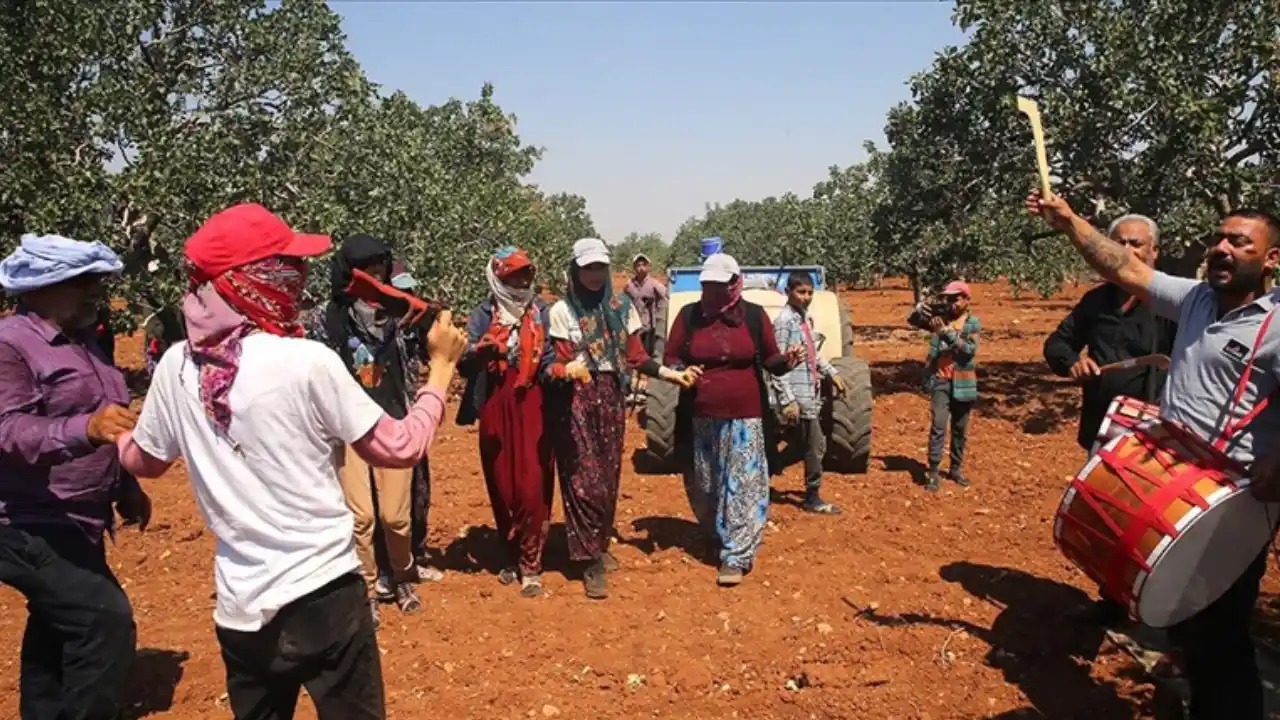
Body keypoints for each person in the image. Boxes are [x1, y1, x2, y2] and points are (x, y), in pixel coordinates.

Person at [115, 202, 468, 720]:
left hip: (240, 611)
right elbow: (400, 448)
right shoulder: (306, 362)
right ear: (256, 280)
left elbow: (144, 462)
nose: (299, 278)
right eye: (288, 266)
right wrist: (441, 370)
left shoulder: (176, 366)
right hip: (325, 597)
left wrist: (111, 433)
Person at [1027, 190, 1280, 720]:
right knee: (1188, 622)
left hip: (1231, 506)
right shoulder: (1193, 299)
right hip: (1177, 490)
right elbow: (1123, 266)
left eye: (1240, 241)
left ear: (1271, 258)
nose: (1222, 248)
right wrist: (1070, 222)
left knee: (1222, 637)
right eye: (1218, 238)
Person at [0, 233, 150, 720]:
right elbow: (8, 430)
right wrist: (84, 429)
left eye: (97, 283)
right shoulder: (10, 346)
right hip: (26, 520)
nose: (95, 293)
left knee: (56, 626)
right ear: (40, 288)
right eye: (81, 283)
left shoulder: (89, 342)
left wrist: (125, 487)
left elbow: (108, 420)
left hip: (78, 518)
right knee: (102, 622)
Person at [1042, 213, 1178, 626]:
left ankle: (1163, 610)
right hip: (1103, 432)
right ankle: (1114, 601)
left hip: (1160, 438)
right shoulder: (1096, 302)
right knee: (1107, 522)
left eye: (1137, 244)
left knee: (1157, 527)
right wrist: (1071, 364)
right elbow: (1057, 344)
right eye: (1119, 242)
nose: (1128, 251)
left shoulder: (1175, 304)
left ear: (1155, 251)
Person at [544, 238, 698, 599]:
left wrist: (672, 375)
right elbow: (559, 360)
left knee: (609, 475)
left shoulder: (621, 305)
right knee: (584, 477)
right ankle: (588, 560)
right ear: (576, 270)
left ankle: (597, 544)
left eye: (600, 267)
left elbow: (635, 356)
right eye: (588, 268)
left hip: (611, 394)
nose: (595, 275)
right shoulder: (561, 311)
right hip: (575, 398)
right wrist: (567, 369)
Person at [306, 235, 428, 622]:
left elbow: (421, 349)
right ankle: (368, 584)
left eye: (381, 270)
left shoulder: (398, 310)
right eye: (367, 272)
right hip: (348, 426)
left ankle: (403, 572)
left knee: (395, 515)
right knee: (360, 516)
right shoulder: (327, 318)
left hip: (392, 418)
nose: (376, 279)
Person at [663, 253, 799, 587]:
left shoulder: (753, 316)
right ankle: (715, 534)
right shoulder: (689, 316)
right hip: (701, 414)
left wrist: (787, 361)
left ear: (734, 283)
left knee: (741, 484)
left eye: (719, 286)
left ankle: (737, 555)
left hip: (745, 414)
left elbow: (771, 360)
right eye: (707, 285)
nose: (712, 292)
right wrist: (682, 371)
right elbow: (671, 357)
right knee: (707, 484)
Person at [458, 247, 554, 597]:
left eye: (526, 274)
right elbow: (463, 361)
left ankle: (531, 562)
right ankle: (510, 552)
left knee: (532, 484)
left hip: (533, 403)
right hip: (496, 403)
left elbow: (550, 357)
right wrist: (479, 352)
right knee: (501, 482)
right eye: (514, 275)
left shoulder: (541, 312)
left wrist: (555, 369)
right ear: (498, 277)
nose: (523, 281)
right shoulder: (484, 314)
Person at [372, 262, 440, 587]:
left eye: (410, 290)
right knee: (380, 500)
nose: (407, 296)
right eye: (400, 290)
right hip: (379, 423)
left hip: (412, 419)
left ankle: (415, 557)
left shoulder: (415, 326)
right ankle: (382, 566)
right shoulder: (375, 329)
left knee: (418, 492)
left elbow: (438, 353)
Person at [771, 270, 848, 515]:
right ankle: (812, 495)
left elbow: (813, 353)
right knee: (816, 445)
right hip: (797, 396)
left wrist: (831, 372)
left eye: (810, 293)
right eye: (801, 292)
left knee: (800, 445)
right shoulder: (784, 321)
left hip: (808, 391)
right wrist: (788, 400)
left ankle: (769, 468)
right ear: (788, 292)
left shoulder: (804, 318)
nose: (806, 297)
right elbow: (776, 365)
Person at [923, 281, 981, 493]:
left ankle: (955, 469)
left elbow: (969, 350)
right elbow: (914, 320)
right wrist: (922, 309)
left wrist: (946, 332)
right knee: (938, 426)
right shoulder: (940, 319)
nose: (952, 303)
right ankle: (933, 471)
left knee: (959, 428)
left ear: (967, 300)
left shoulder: (972, 323)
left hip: (964, 382)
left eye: (956, 298)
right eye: (949, 299)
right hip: (940, 380)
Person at [623, 253, 667, 357]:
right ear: (634, 268)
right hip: (634, 325)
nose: (641, 268)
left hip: (649, 326)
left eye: (643, 265)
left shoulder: (654, 284)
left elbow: (666, 296)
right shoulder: (630, 285)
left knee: (647, 354)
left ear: (648, 267)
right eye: (638, 265)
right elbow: (623, 300)